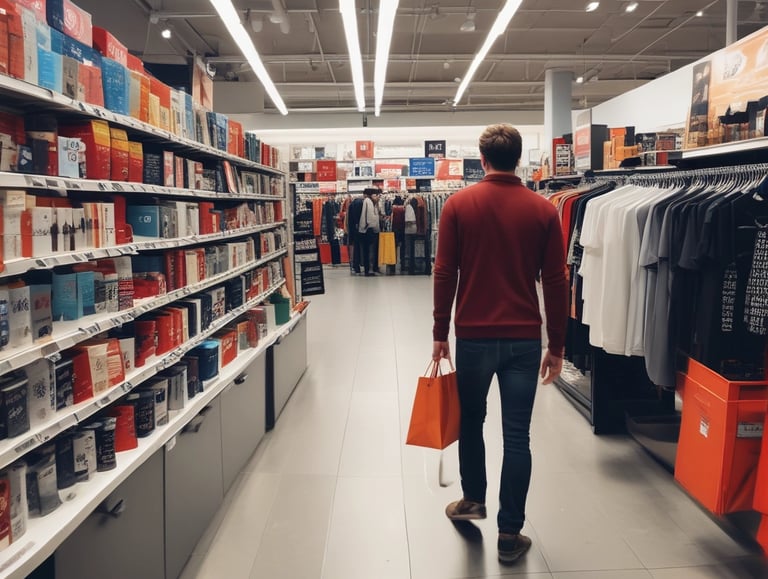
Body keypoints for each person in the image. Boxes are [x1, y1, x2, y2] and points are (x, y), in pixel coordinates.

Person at [432, 124, 568, 564]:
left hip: (471, 337)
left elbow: (444, 272)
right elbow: (555, 280)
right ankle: (509, 533)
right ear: (518, 158)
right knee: (517, 436)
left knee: (471, 421)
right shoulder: (543, 210)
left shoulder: (458, 205)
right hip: (524, 341)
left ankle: (473, 500)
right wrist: (558, 345)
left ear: (482, 159)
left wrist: (439, 333)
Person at [358, 188, 381, 276]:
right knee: (371, 250)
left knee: (368, 250)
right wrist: (369, 226)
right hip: (369, 230)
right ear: (371, 195)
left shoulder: (372, 202)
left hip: (368, 229)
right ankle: (370, 269)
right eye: (375, 195)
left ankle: (369, 268)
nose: (377, 197)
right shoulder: (368, 202)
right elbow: (370, 217)